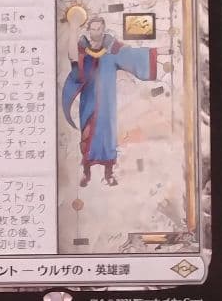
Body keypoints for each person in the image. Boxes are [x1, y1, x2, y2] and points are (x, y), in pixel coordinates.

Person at [61, 13, 157, 187]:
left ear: (103, 29)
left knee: (107, 137)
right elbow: (73, 58)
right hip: (88, 103)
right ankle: (86, 173)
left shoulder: (113, 49)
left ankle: (109, 174)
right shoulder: (83, 48)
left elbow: (133, 56)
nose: (96, 32)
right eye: (93, 29)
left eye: (99, 29)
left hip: (107, 104)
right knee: (87, 136)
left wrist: (157, 52)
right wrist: (73, 28)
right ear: (88, 30)